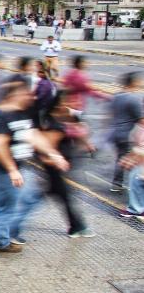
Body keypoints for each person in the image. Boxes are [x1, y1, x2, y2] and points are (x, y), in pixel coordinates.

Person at [0, 81, 69, 253]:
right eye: (26, 94)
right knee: (7, 207)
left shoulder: (22, 113)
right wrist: (11, 169)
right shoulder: (2, 115)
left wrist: (53, 154)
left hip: (21, 167)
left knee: (30, 198)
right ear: (14, 96)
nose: (30, 96)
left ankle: (7, 232)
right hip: (7, 170)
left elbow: (33, 135)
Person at [14, 93, 95, 240]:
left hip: (57, 169)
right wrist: (57, 161)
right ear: (60, 104)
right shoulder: (54, 125)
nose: (75, 103)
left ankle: (76, 226)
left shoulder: (61, 117)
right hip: (54, 169)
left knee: (60, 196)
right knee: (39, 199)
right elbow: (45, 152)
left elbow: (78, 123)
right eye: (70, 100)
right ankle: (12, 228)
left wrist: (83, 139)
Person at [110, 72, 143, 192]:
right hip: (127, 134)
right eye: (139, 81)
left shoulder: (116, 96)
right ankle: (134, 184)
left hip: (115, 131)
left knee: (122, 157)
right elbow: (141, 120)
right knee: (132, 159)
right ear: (133, 82)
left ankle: (117, 183)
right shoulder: (133, 99)